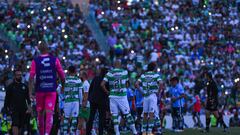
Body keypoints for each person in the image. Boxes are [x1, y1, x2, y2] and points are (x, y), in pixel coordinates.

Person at [28, 42, 65, 135]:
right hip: (51, 90)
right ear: (48, 49)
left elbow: (31, 77)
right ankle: (47, 133)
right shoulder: (55, 60)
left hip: (40, 90)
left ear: (39, 49)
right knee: (49, 112)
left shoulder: (35, 61)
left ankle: (42, 133)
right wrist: (63, 86)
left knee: (40, 113)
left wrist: (30, 92)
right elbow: (62, 76)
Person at [101, 60, 138, 135]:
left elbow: (102, 84)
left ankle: (117, 133)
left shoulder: (109, 73)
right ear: (120, 64)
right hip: (122, 96)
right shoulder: (124, 72)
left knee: (114, 115)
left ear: (114, 65)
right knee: (127, 114)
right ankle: (135, 131)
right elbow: (127, 84)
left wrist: (107, 92)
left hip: (113, 96)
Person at [135, 62, 162, 135]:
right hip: (152, 95)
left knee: (145, 114)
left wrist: (142, 92)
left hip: (145, 96)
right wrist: (158, 92)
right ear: (154, 68)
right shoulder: (156, 75)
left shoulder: (143, 75)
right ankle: (149, 132)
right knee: (151, 113)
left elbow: (136, 84)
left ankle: (144, 131)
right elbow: (161, 83)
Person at [3, 69, 32, 135]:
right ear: (14, 76)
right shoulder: (10, 87)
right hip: (14, 109)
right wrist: (5, 109)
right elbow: (7, 99)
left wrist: (29, 108)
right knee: (15, 124)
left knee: (21, 125)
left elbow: (28, 99)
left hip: (23, 109)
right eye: (18, 75)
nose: (19, 76)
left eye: (20, 75)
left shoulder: (25, 86)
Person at [86, 67, 109, 135]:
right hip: (102, 101)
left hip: (93, 100)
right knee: (102, 118)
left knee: (91, 117)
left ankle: (88, 132)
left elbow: (91, 88)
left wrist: (89, 98)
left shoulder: (96, 78)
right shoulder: (106, 80)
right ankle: (100, 133)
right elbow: (107, 91)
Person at [62, 66, 82, 134]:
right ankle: (72, 131)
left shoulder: (65, 79)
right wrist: (81, 102)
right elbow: (80, 93)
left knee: (66, 117)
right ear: (75, 71)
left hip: (67, 100)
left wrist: (64, 95)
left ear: (68, 71)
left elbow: (58, 90)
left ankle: (65, 132)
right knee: (74, 117)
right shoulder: (78, 80)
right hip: (75, 101)